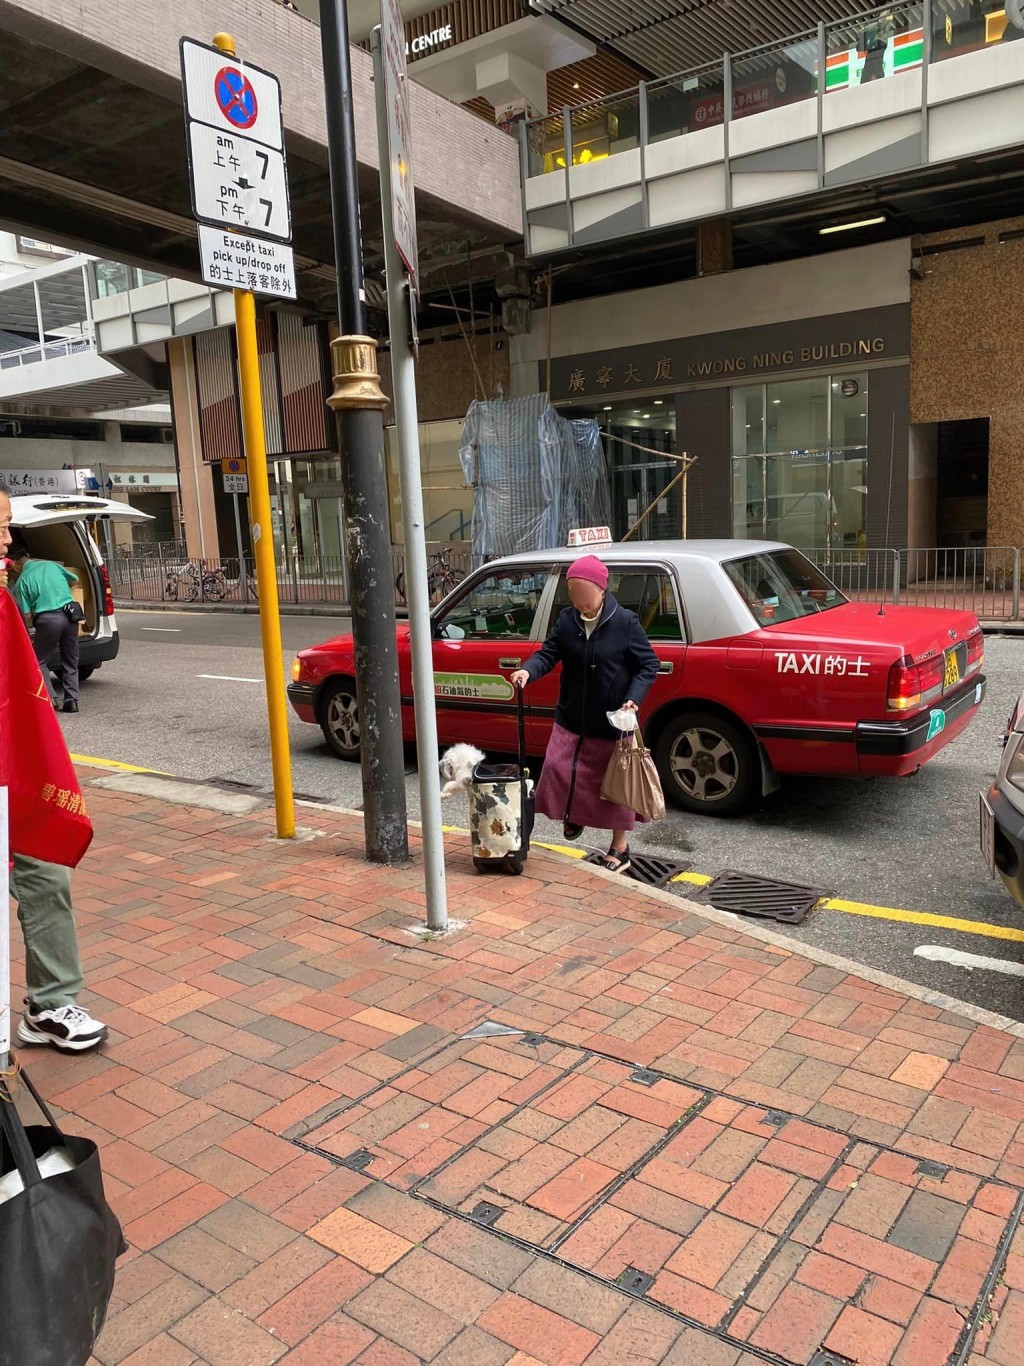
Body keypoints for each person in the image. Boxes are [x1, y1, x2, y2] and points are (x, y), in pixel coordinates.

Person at [0, 485, 105, 1052]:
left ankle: (50, 1003)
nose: (7, 538)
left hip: (10, 777)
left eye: (7, 524)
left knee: (43, 872)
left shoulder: (5, 598)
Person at [512, 555, 659, 873]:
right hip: (571, 716)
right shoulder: (567, 620)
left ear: (600, 588)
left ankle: (620, 848)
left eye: (582, 591)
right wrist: (528, 672)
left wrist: (633, 700)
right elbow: (549, 654)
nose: (577, 600)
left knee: (615, 786)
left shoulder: (625, 623)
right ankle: (574, 813)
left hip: (611, 721)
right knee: (557, 768)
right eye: (572, 592)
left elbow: (649, 665)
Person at [9, 536, 81, 713]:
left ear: (14, 564)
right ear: (28, 555)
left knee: (39, 660)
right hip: (70, 614)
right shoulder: (51, 565)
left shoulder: (22, 581)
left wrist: (32, 625)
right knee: (70, 659)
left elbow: (26, 615)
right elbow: (74, 579)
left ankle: (51, 699)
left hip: (48, 620)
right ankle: (71, 701)